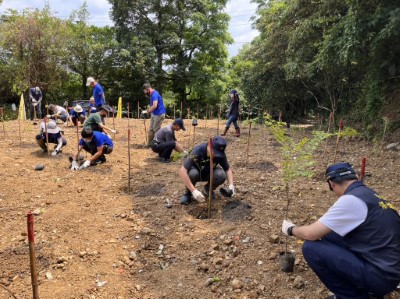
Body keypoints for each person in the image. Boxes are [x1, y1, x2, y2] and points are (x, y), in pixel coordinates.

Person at [281, 162, 400, 299]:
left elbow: (310, 234)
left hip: (379, 278)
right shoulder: (371, 195)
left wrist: (291, 229)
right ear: (355, 176)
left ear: (332, 184)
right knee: (329, 234)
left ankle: (351, 296)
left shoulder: (351, 200)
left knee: (310, 247)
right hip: (390, 270)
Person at [178, 136, 235, 205]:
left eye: (218, 153)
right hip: (196, 173)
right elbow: (182, 171)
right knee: (193, 174)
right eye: (214, 152)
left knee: (221, 175)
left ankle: (208, 189)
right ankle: (188, 193)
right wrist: (194, 191)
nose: (216, 155)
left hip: (208, 173)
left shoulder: (220, 154)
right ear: (209, 146)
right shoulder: (198, 151)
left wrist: (231, 185)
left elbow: (227, 169)